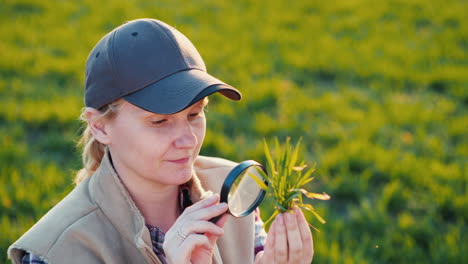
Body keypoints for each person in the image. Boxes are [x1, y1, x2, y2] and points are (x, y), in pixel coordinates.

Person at [8, 18, 314, 264]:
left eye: (195, 114)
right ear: (101, 127)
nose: (189, 140)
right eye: (159, 121)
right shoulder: (58, 250)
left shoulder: (233, 191)